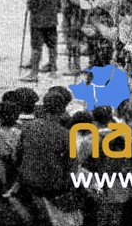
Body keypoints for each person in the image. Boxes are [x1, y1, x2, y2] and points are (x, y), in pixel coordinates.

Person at [15, 91, 80, 226]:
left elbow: (18, 156)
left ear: (44, 107)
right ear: (63, 110)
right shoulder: (66, 135)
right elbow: (72, 167)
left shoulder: (28, 127)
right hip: (52, 187)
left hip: (28, 183)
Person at [20, 0, 60, 82]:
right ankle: (53, 70)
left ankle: (34, 73)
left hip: (38, 19)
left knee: (36, 46)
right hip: (51, 18)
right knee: (52, 44)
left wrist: (30, 7)